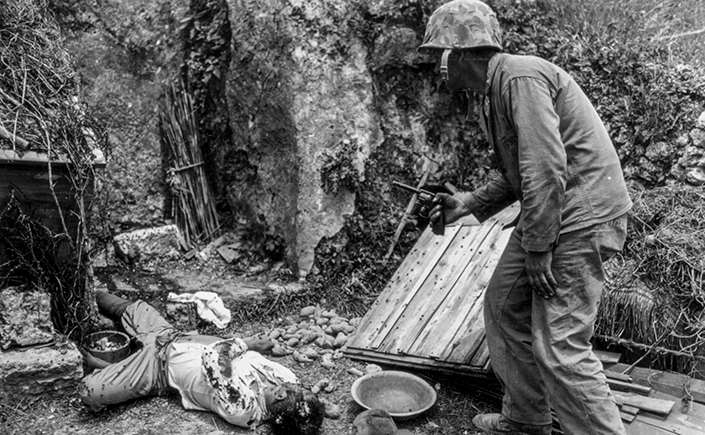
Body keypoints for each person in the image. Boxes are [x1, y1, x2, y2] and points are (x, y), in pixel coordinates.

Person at [422, 1, 632, 434]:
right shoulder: (493, 92)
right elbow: (519, 173)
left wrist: (539, 248)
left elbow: (546, 168)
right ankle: (526, 419)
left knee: (560, 346)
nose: (437, 66)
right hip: (557, 212)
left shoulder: (519, 77)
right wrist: (467, 204)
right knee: (503, 304)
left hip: (581, 218)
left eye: (440, 53)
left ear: (461, 52)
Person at [79, 291, 324, 435]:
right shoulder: (287, 385)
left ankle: (110, 363)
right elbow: (297, 387)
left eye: (282, 395)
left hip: (158, 368)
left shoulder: (244, 408)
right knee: (126, 307)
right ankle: (90, 294)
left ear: (278, 411)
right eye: (289, 389)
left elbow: (214, 357)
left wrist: (250, 343)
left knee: (90, 392)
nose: (281, 386)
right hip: (176, 337)